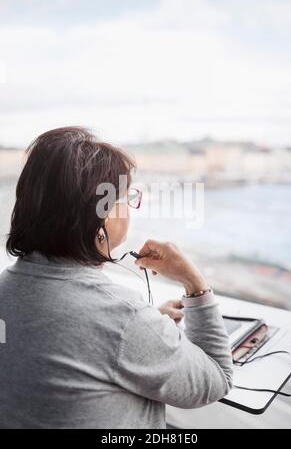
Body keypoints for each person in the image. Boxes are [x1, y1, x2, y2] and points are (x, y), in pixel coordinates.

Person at [0, 127, 233, 429]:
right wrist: (194, 284)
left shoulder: (6, 288)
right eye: (126, 197)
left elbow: (65, 336)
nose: (130, 207)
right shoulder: (122, 318)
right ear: (101, 219)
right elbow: (216, 379)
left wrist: (146, 326)